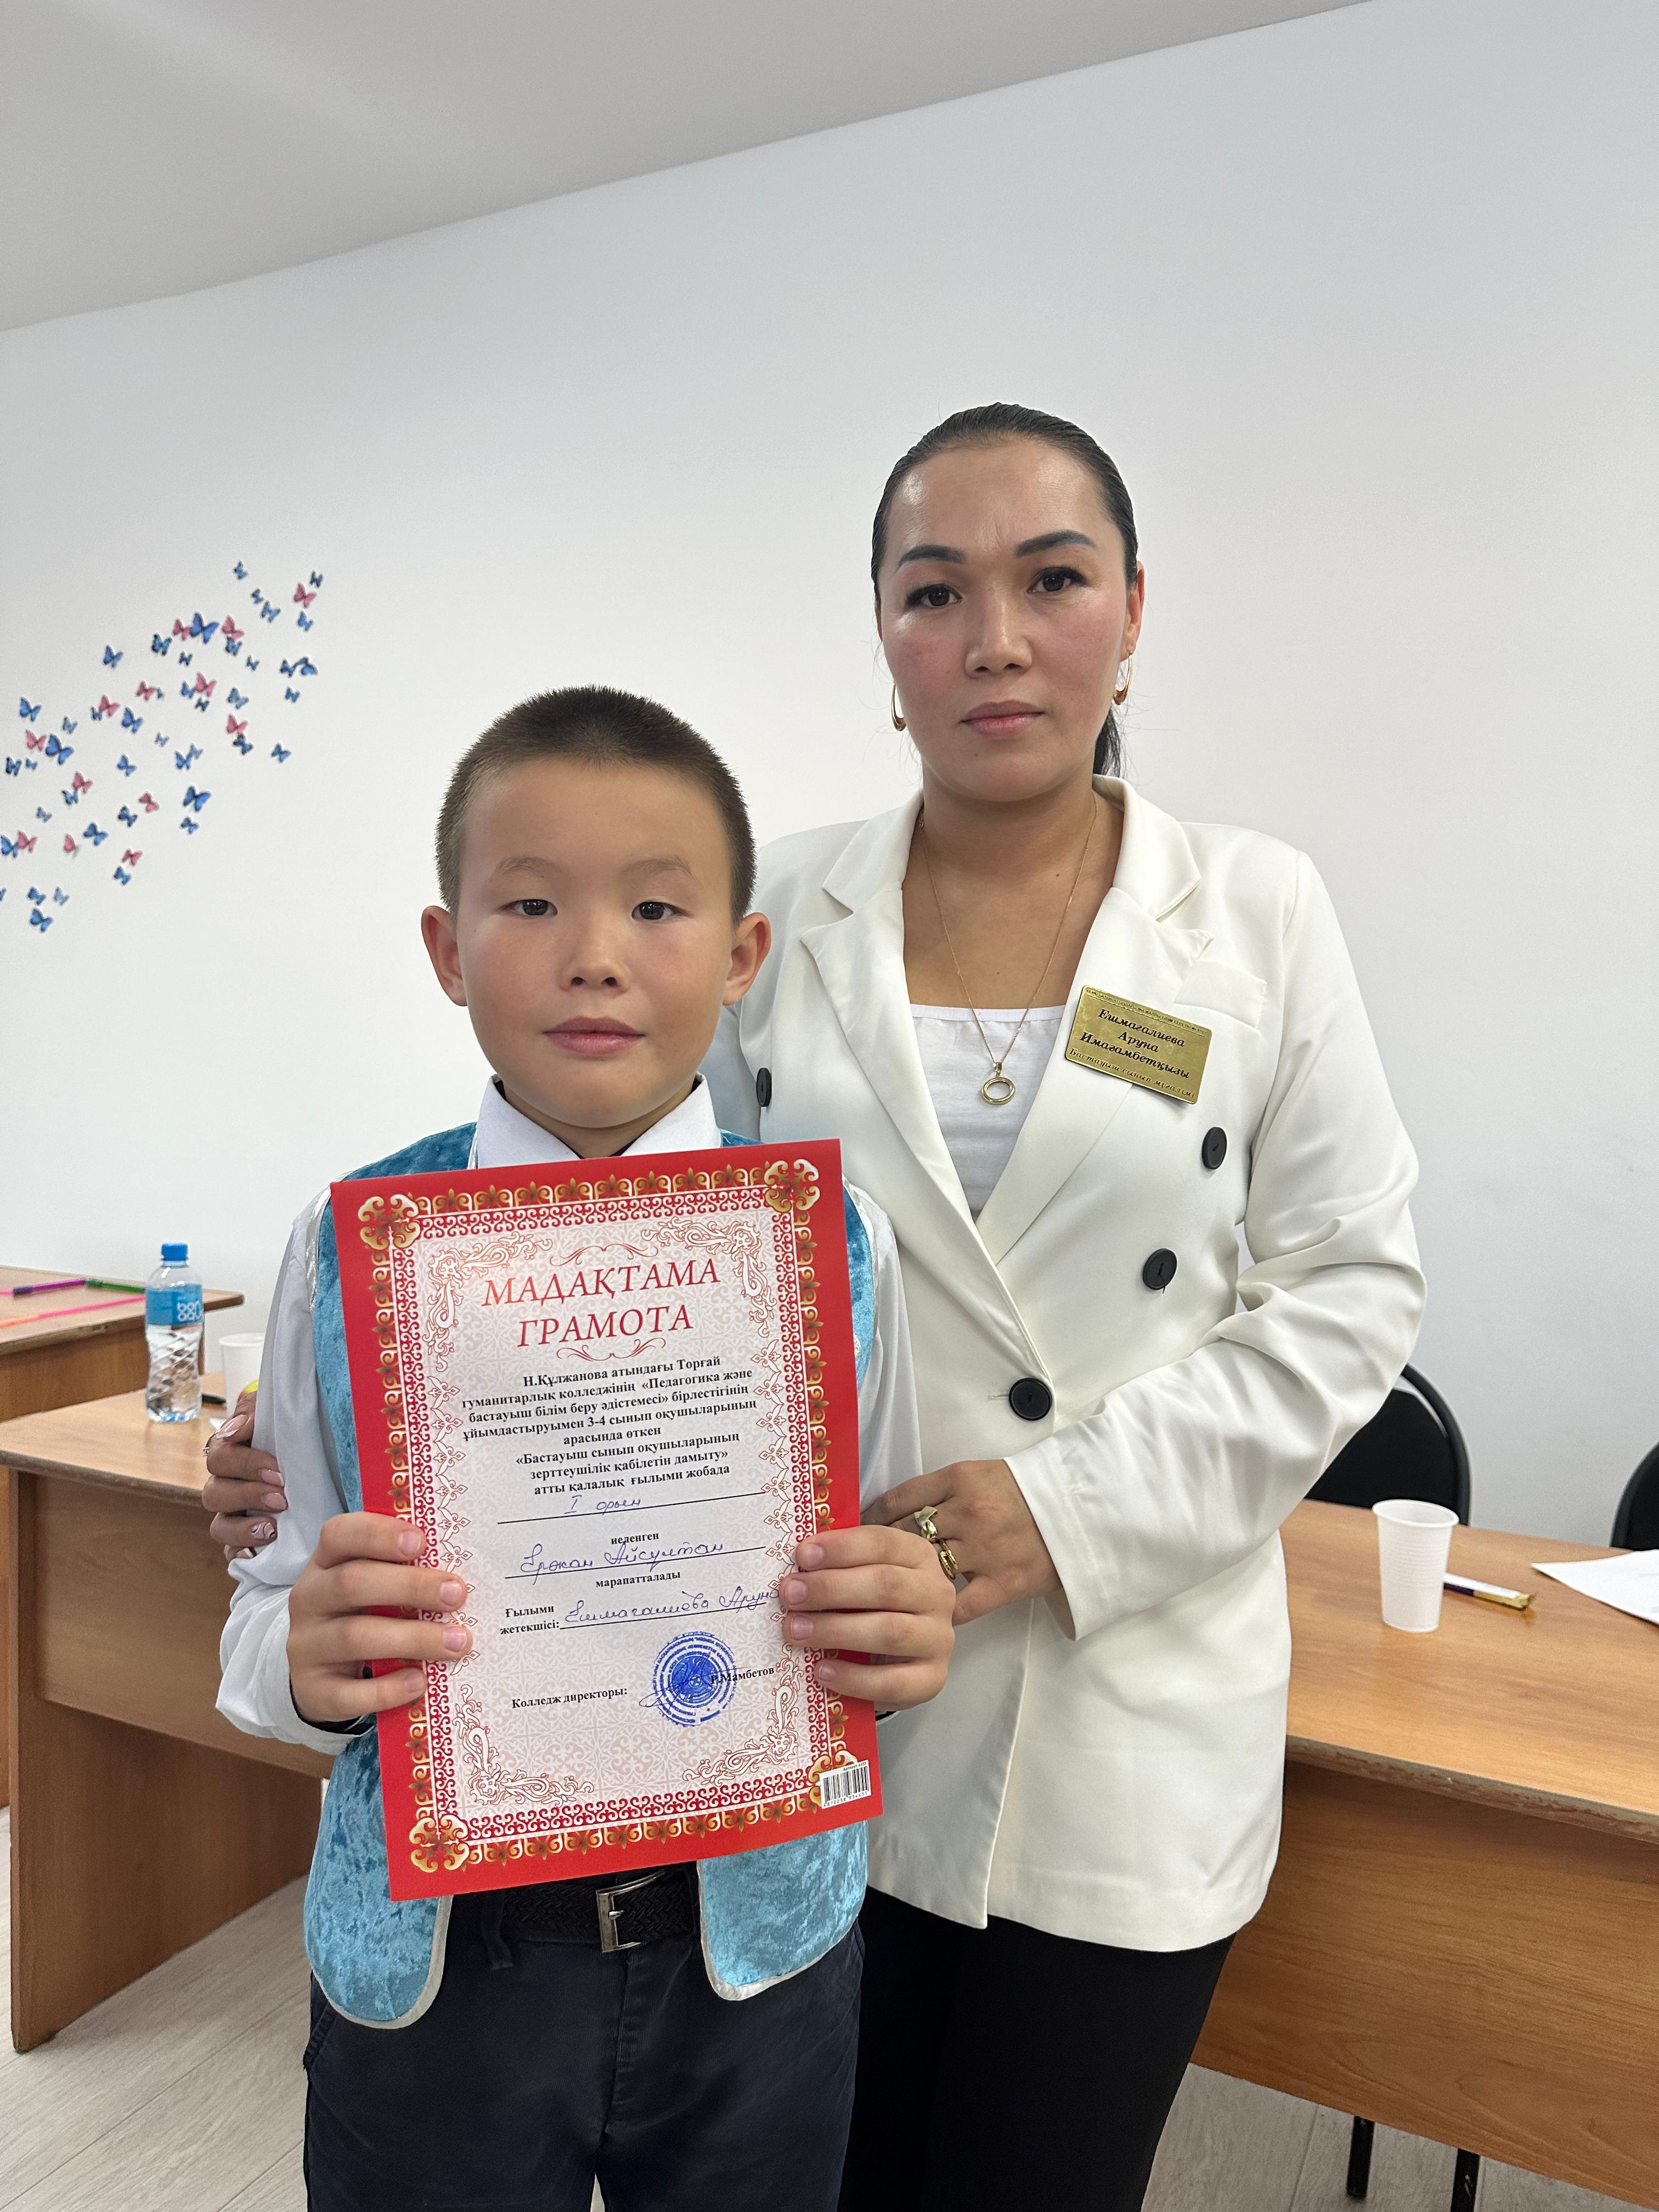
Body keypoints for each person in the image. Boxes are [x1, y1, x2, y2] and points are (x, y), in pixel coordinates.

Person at [699, 404, 1426, 2212]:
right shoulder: (770, 908)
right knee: (816, 2174)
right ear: (884, 636)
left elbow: (1351, 1283)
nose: (997, 640)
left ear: (1134, 611)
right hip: (831, 1678)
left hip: (1128, 1697)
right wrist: (343, 1409)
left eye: (1052, 580)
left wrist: (1062, 1508)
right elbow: (635, 1235)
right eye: (936, 591)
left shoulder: (1255, 911)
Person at [214, 686, 956, 2212]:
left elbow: (884, 1557)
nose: (596, 955)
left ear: (742, 957)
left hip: (756, 1959)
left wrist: (900, 1621)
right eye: (533, 903)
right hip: (440, 1971)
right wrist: (300, 1660)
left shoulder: (838, 1248)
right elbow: (261, 1607)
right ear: (447, 949)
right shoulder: (345, 1250)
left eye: (659, 907)